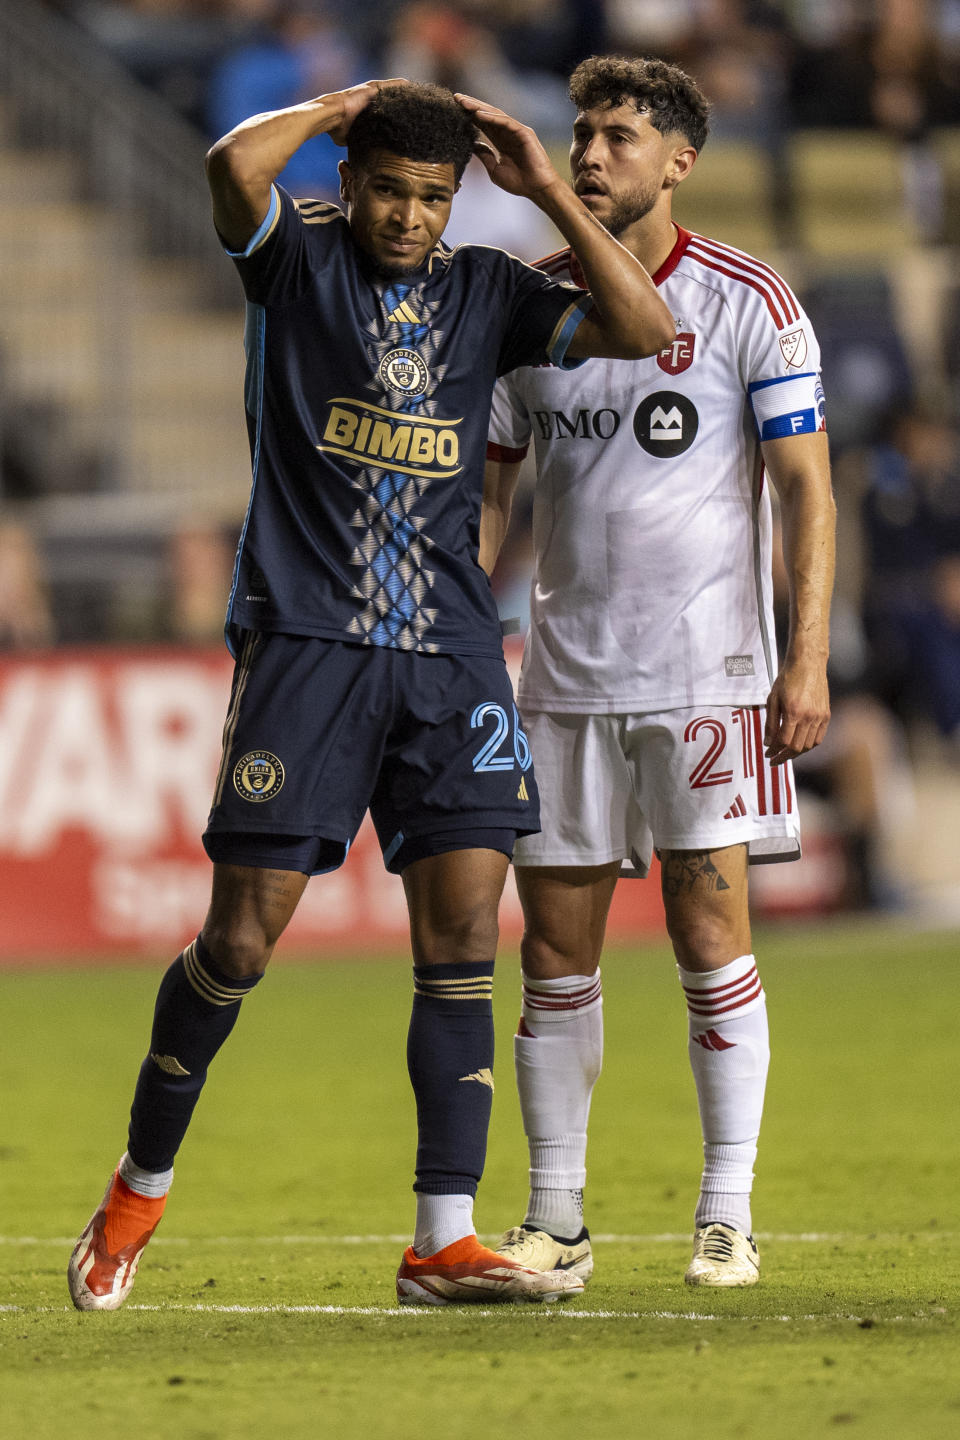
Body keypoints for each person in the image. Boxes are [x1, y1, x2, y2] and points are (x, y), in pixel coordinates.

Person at [67, 77, 675, 1312]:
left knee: (461, 940)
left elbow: (646, 326)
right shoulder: (296, 263)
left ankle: (441, 1240)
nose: (409, 216)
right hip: (307, 643)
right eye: (391, 189)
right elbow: (231, 166)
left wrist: (545, 184)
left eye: (434, 198)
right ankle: (139, 1187)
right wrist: (348, 102)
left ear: (459, 203)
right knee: (240, 941)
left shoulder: (489, 292)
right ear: (350, 182)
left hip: (452, 654)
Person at [483, 55, 835, 1287]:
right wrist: (464, 635)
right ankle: (555, 1222)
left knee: (708, 926)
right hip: (562, 676)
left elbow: (806, 490)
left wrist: (808, 658)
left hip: (710, 674)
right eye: (581, 133)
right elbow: (492, 488)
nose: (590, 154)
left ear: (680, 160)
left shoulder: (750, 299)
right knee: (553, 951)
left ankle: (727, 1213)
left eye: (619, 137)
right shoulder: (527, 303)